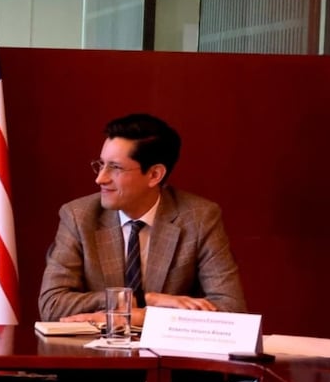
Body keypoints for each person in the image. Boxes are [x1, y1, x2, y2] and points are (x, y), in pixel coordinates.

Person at [38, 113, 245, 324]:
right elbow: (52, 305)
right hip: (94, 353)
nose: (100, 178)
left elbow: (232, 311)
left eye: (115, 168)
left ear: (155, 175)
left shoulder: (199, 217)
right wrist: (141, 300)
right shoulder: (78, 216)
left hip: (168, 355)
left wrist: (144, 319)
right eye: (101, 164)